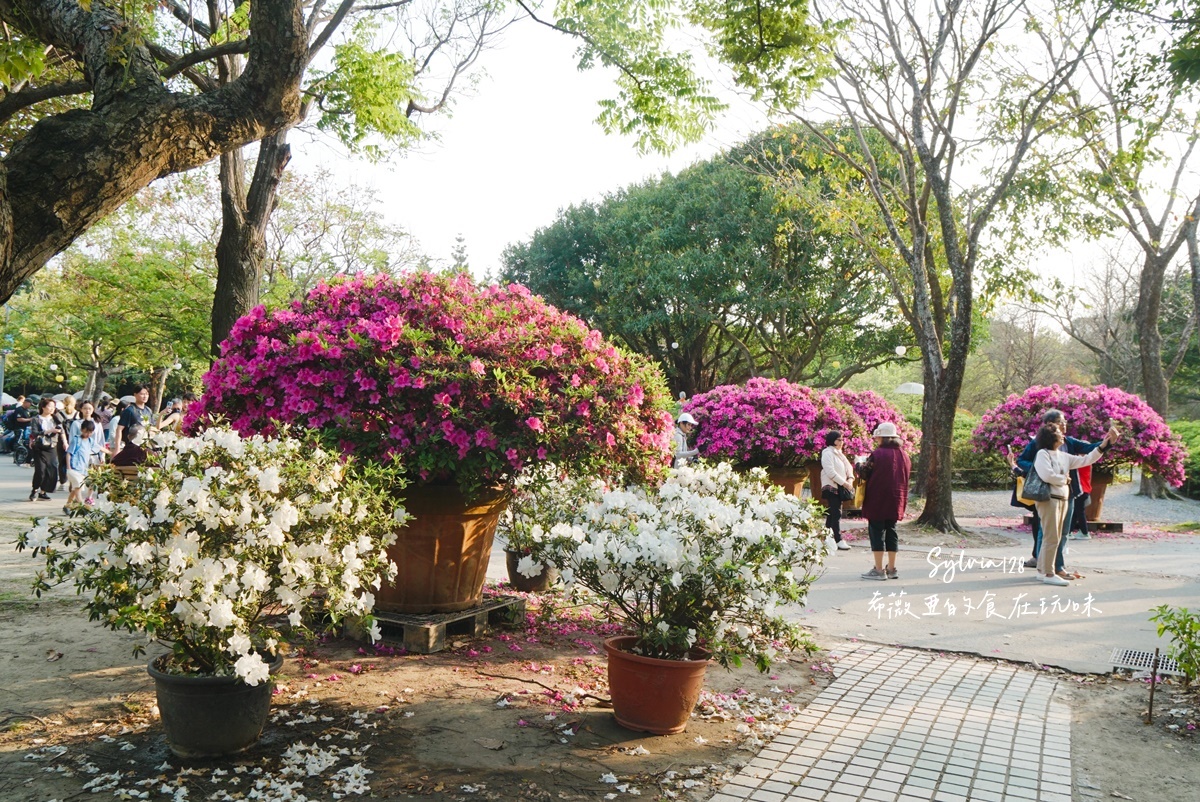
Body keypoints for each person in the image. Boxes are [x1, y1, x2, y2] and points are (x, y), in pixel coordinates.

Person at [1015, 409, 1105, 579]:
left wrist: (1106, 443)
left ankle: (1057, 566)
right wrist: (1039, 469)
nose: (1064, 425)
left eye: (1064, 422)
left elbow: (1088, 453)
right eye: (1060, 422)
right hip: (1046, 494)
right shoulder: (1039, 448)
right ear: (1050, 426)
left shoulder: (1067, 445)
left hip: (1067, 494)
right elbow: (1024, 462)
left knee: (1062, 532)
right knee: (1047, 533)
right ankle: (1045, 568)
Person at [1030, 423, 1116, 586]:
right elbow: (1047, 475)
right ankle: (1049, 573)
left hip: (1062, 498)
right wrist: (1064, 479)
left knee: (1056, 536)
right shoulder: (1042, 454)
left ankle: (1042, 570)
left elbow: (1086, 459)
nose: (1062, 433)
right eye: (1058, 431)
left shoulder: (1063, 456)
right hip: (1049, 500)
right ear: (1050, 436)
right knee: (1051, 536)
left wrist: (1103, 446)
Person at [858, 422, 911, 581]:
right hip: (897, 498)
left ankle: (879, 569)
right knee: (891, 530)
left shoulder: (878, 454)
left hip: (877, 498)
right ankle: (892, 568)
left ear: (882, 437)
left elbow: (864, 473)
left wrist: (858, 464)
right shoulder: (904, 455)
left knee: (877, 531)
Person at [819, 430, 855, 551]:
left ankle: (826, 538)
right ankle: (838, 539)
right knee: (836, 513)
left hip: (840, 486)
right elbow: (830, 471)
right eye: (839, 440)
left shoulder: (839, 454)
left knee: (832, 513)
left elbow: (849, 467)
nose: (841, 442)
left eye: (842, 440)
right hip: (832, 487)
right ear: (832, 440)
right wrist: (845, 483)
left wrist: (850, 479)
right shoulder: (827, 453)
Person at [27, 398, 62, 501]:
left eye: (53, 407)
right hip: (39, 447)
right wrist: (49, 431)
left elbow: (62, 430)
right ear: (43, 407)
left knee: (51, 470)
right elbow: (34, 433)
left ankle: (43, 492)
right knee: (40, 470)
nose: (52, 409)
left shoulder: (56, 418)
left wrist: (65, 442)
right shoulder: (36, 419)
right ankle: (34, 490)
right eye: (49, 406)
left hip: (52, 446)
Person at [64, 420, 102, 514]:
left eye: (90, 432)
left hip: (83, 469)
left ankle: (68, 505)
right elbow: (69, 453)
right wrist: (69, 467)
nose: (88, 434)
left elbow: (99, 448)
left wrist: (111, 453)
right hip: (74, 468)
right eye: (86, 432)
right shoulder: (76, 440)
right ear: (81, 430)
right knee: (78, 488)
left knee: (76, 488)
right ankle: (83, 507)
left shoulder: (90, 441)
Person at [115, 386, 152, 453]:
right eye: (142, 394)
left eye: (147, 394)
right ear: (135, 394)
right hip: (132, 447)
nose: (145, 396)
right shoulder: (129, 410)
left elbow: (151, 428)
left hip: (145, 447)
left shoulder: (149, 411)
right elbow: (119, 429)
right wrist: (117, 448)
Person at [54, 396, 79, 487]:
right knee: (74, 461)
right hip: (75, 440)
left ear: (64, 403)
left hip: (62, 440)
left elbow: (60, 428)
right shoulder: (78, 414)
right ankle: (73, 482)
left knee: (62, 461)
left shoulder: (59, 414)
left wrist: (64, 441)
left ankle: (63, 482)